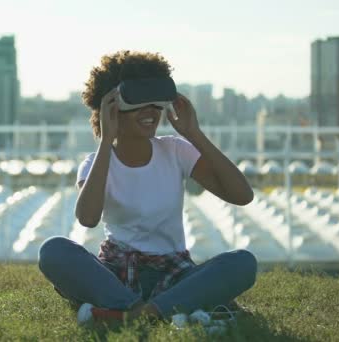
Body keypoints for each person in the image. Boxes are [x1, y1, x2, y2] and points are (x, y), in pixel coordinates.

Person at [38, 51, 257, 324]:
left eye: (156, 104)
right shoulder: (96, 163)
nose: (151, 112)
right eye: (139, 103)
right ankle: (163, 310)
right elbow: (88, 218)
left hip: (174, 272)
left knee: (243, 263)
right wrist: (106, 140)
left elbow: (242, 195)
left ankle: (132, 315)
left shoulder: (176, 150)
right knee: (53, 251)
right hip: (115, 272)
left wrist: (193, 133)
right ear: (112, 107)